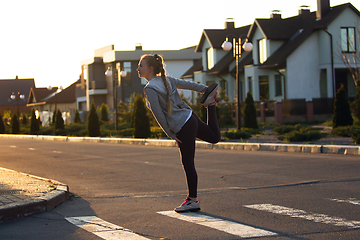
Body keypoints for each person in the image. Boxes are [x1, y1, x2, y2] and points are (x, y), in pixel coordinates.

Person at [137, 54, 221, 212]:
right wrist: (206, 90)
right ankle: (211, 104)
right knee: (214, 137)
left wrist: (171, 134)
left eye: (140, 65)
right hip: (190, 117)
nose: (138, 68)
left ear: (150, 69)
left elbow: (158, 115)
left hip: (182, 125)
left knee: (188, 162)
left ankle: (192, 200)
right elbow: (188, 85)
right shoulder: (166, 80)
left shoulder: (150, 88)